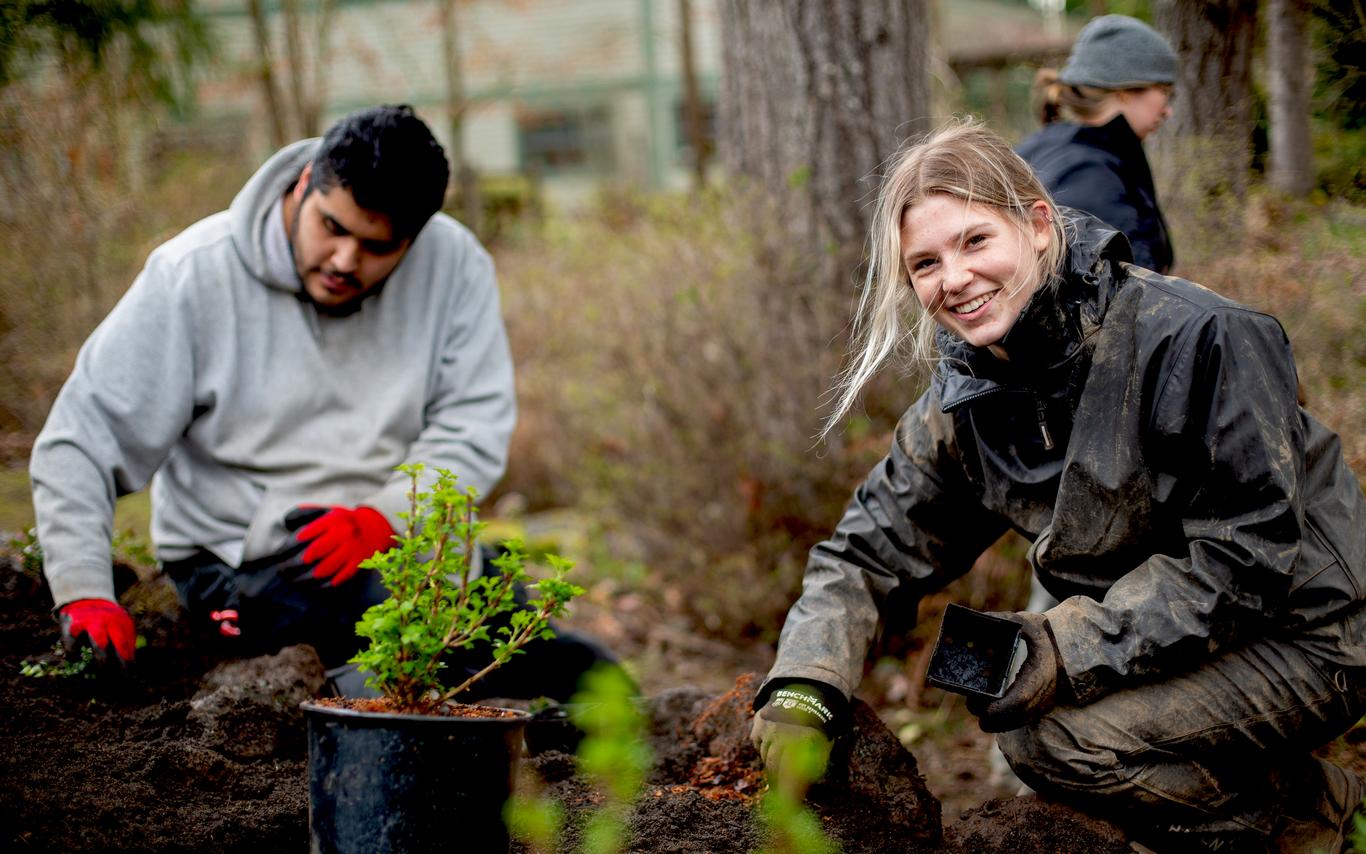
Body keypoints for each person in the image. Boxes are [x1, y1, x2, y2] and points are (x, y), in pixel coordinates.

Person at [750, 119, 1366, 852]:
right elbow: (866, 554)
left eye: (976, 241)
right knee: (1027, 731)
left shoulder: (1201, 337)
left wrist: (1062, 649)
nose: (954, 279)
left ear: (1039, 226)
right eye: (924, 264)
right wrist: (804, 684)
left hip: (1313, 630)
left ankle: (1315, 816)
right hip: (1170, 636)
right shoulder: (967, 401)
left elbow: (1247, 558)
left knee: (1055, 742)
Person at [31, 104, 612, 700]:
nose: (344, 261)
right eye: (333, 228)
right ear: (307, 182)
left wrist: (384, 519)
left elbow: (471, 429)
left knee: (585, 675)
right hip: (244, 561)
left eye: (375, 247)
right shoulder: (193, 276)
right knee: (419, 684)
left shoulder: (456, 267)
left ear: (413, 238)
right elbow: (82, 439)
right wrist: (83, 590)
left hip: (395, 543)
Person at [1016, 14, 1176, 274]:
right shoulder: (1091, 175)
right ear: (1125, 89)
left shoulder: (1046, 146)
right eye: (1164, 92)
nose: (1168, 110)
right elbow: (1119, 298)